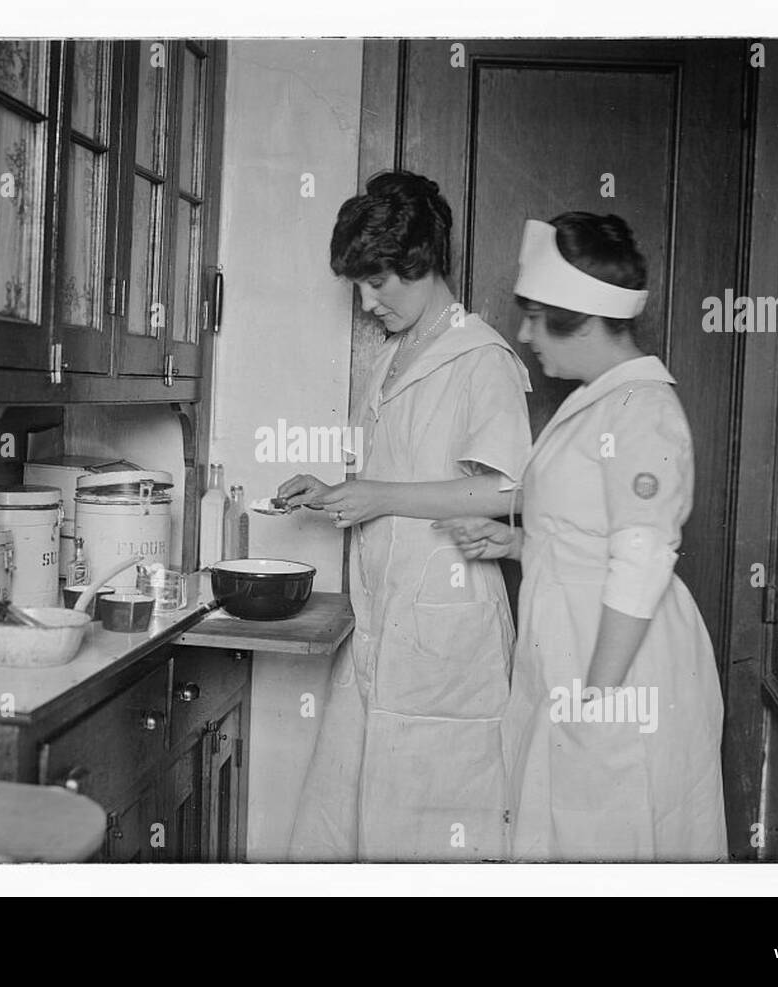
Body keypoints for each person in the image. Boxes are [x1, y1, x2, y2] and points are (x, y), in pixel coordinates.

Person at [436, 213, 728, 861]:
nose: (524, 333)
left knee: (612, 827)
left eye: (538, 317)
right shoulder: (595, 400)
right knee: (568, 828)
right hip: (575, 643)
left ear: (585, 318)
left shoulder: (642, 409)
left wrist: (598, 695)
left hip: (618, 659)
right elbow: (587, 532)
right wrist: (513, 544)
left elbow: (644, 554)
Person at [278, 171, 533, 861]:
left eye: (378, 281)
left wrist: (380, 494)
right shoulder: (393, 358)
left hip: (448, 644)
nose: (365, 302)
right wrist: (340, 489)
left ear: (422, 262)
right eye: (358, 285)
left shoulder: (482, 361)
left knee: (436, 841)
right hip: (383, 630)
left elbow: (504, 492)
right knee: (351, 829)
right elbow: (410, 475)